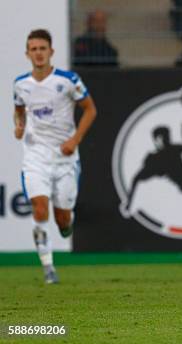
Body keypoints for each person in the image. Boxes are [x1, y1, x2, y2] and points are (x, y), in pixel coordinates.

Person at [13, 29, 98, 283]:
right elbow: (19, 111)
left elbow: (90, 110)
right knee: (39, 208)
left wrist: (74, 140)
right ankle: (48, 267)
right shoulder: (20, 84)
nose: (38, 53)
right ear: (27, 53)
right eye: (33, 49)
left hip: (65, 157)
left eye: (42, 48)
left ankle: (65, 224)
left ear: (51, 52)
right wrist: (18, 125)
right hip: (35, 155)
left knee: (62, 219)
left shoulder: (68, 80)